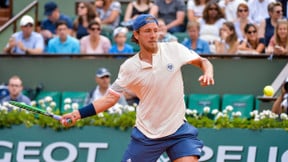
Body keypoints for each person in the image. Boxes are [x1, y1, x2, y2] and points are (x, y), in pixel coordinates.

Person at [61, 14, 214, 162]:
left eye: (155, 30)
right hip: (147, 135)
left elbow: (203, 61)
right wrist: (78, 114)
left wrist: (208, 73)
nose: (153, 35)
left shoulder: (174, 49)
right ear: (136, 34)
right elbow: (109, 99)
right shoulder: (129, 67)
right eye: (147, 31)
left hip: (178, 130)